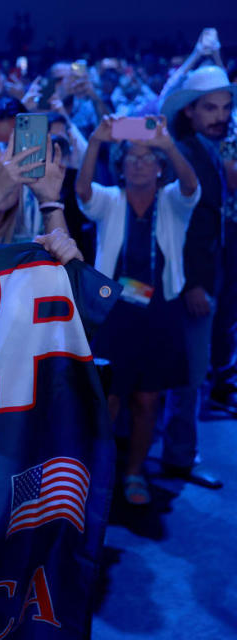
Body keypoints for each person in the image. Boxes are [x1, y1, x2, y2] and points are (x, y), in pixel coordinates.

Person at [76, 114, 202, 505]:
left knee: (147, 400)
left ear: (160, 167)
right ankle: (97, 475)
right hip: (115, 310)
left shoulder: (170, 202)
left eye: (148, 158)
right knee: (109, 398)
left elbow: (192, 187)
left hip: (160, 310)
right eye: (131, 157)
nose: (138, 164)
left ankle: (133, 473)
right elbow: (82, 195)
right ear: (121, 166)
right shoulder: (111, 200)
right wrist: (96, 141)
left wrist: (167, 144)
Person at [158, 64, 235, 489]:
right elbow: (172, 225)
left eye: (225, 107)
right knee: (188, 375)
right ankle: (178, 457)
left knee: (193, 372)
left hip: (210, 276)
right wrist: (191, 283)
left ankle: (176, 453)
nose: (220, 115)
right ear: (189, 111)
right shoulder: (183, 153)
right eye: (210, 108)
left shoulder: (207, 147)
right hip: (190, 282)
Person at [0, 133, 70, 244]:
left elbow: (65, 260)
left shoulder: (29, 235)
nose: (6, 180)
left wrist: (49, 201)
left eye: (13, 173)